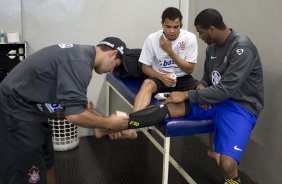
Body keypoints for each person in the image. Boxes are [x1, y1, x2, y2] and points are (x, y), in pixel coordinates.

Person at [122, 8, 264, 184]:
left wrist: (188, 94)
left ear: (211, 28)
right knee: (169, 108)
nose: (199, 36)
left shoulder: (242, 47)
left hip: (240, 106)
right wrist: (202, 89)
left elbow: (226, 90)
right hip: (215, 100)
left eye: (201, 32)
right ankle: (127, 123)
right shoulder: (211, 48)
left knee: (227, 165)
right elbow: (207, 78)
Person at [0, 37, 130, 184]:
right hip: (16, 109)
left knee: (47, 159)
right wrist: (110, 123)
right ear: (112, 54)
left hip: (34, 110)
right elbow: (74, 115)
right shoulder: (79, 62)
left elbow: (81, 105)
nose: (112, 70)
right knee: (29, 171)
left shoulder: (81, 57)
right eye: (116, 65)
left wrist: (104, 124)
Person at [98, 7, 198, 140]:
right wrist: (160, 76)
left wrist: (170, 51)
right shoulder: (152, 39)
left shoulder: (190, 38)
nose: (172, 31)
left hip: (183, 78)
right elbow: (144, 67)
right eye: (168, 26)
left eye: (176, 27)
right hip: (160, 77)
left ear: (181, 24)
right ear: (162, 24)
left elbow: (189, 69)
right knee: (147, 83)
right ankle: (133, 127)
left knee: (202, 89)